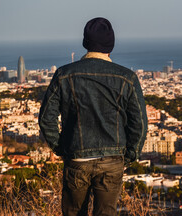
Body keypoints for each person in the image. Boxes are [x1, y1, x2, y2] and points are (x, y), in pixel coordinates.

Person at [39, 17, 148, 216]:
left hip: (77, 157)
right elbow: (139, 123)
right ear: (111, 45)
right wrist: (130, 155)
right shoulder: (127, 78)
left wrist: (62, 148)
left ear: (85, 43)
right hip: (112, 159)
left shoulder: (64, 74)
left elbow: (47, 118)